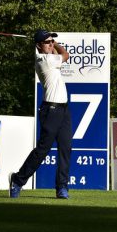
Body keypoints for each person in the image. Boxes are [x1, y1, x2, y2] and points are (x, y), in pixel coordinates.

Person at [9, 30, 72, 199]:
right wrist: (57, 45)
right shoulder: (45, 60)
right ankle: (17, 180)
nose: (51, 44)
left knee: (65, 149)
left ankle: (62, 188)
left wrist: (51, 43)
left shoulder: (49, 56)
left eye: (52, 41)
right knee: (43, 150)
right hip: (50, 110)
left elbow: (60, 53)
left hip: (63, 110)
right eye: (47, 42)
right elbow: (66, 54)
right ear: (38, 46)